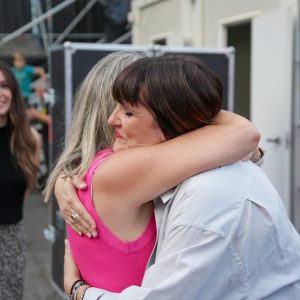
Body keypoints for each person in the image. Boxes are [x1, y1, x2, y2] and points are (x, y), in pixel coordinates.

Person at [61, 54, 300, 299]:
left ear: (173, 118)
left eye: (129, 112)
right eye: (115, 107)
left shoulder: (205, 196)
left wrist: (77, 289)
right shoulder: (192, 173)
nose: (111, 120)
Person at [0, 61, 41, 299]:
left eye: (5, 86)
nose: (0, 93)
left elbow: (25, 190)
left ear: (14, 93)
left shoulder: (29, 139)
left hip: (12, 240)